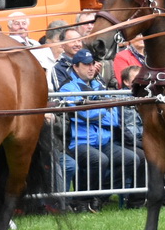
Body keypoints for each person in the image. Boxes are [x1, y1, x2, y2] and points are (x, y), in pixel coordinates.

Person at [57, 50, 143, 211]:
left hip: (103, 141)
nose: (90, 68)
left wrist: (95, 110)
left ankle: (99, 196)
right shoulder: (68, 87)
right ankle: (83, 200)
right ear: (75, 67)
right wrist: (103, 109)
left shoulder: (99, 85)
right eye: (86, 65)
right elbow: (82, 114)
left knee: (131, 159)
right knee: (99, 160)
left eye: (92, 64)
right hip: (78, 143)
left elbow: (114, 117)